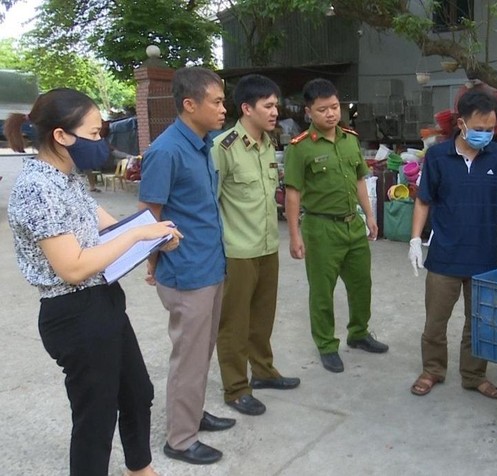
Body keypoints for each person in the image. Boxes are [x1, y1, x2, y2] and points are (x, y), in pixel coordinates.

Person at [5, 88, 182, 476]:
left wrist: (155, 235)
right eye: (94, 133)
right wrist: (135, 238)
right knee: (95, 418)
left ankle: (139, 468)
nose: (101, 142)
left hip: (103, 301)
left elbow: (107, 224)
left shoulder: (67, 177)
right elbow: (73, 267)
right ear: (61, 136)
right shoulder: (38, 188)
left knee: (137, 393)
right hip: (72, 314)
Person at [407, 89, 497, 399]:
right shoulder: (438, 156)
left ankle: (473, 374)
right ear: (461, 123)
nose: (486, 135)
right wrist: (416, 238)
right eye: (479, 129)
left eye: (491, 129)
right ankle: (432, 370)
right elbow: (423, 200)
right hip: (445, 255)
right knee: (435, 322)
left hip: (485, 257)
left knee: (479, 322)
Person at [138, 66, 234, 466]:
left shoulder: (201, 143)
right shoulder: (167, 150)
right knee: (188, 357)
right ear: (189, 104)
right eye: (217, 102)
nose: (223, 109)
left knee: (202, 350)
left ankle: (191, 414)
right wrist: (152, 264)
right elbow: (149, 216)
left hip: (209, 265)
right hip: (186, 273)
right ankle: (179, 439)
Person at [284, 78, 388, 373]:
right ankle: (327, 345)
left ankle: (358, 333)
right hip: (320, 229)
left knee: (360, 284)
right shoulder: (300, 149)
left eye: (334, 107)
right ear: (309, 112)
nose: (330, 114)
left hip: (352, 224)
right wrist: (294, 235)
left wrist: (369, 215)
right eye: (322, 110)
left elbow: (359, 179)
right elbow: (293, 193)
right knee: (322, 291)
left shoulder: (350, 139)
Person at [211, 74, 300, 417]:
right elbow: (210, 203)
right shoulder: (225, 148)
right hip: (237, 252)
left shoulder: (266, 145)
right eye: (269, 105)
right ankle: (235, 388)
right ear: (247, 108)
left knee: (262, 317)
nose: (276, 111)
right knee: (234, 323)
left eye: (276, 105)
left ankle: (263, 371)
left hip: (266, 246)